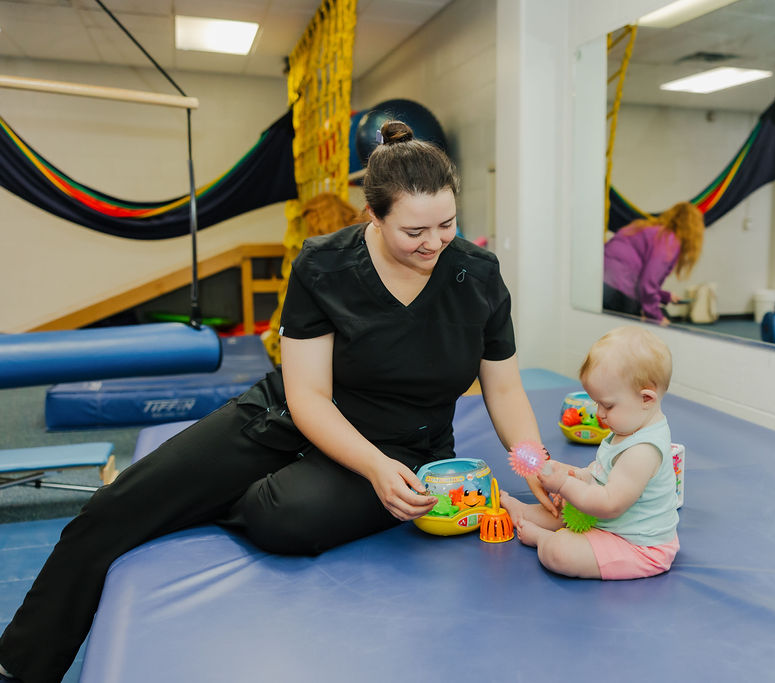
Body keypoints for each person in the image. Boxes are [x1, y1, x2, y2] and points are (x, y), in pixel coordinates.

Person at [0, 120, 555, 683]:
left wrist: (534, 469)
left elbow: (503, 387)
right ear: (374, 215)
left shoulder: (477, 276)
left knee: (288, 518)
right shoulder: (325, 265)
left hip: (402, 445)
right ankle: (18, 665)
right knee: (115, 507)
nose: (434, 242)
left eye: (447, 223)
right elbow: (307, 395)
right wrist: (369, 469)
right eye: (414, 230)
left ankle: (215, 498)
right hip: (291, 417)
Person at [502, 326, 679, 580]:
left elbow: (609, 503)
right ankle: (522, 511)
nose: (599, 414)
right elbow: (605, 475)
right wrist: (578, 476)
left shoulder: (642, 451)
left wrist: (564, 484)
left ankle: (543, 538)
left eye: (606, 404)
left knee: (560, 552)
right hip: (609, 525)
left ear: (646, 399)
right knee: (565, 508)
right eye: (596, 402)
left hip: (636, 546)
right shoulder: (631, 425)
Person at [602, 201, 705, 326]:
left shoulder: (646, 229)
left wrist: (665, 296)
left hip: (602, 283)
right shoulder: (669, 240)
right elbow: (647, 284)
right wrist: (657, 317)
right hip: (620, 292)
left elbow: (639, 279)